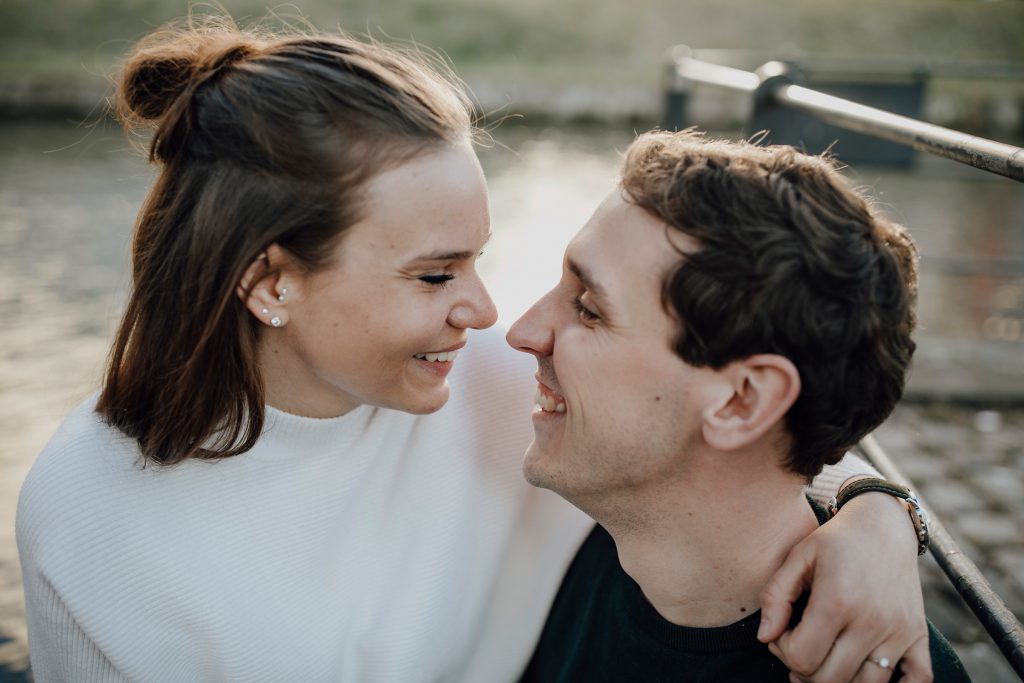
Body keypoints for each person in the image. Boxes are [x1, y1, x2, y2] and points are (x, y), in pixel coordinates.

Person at [17, 17, 930, 682]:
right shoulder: (93, 507)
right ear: (271, 283)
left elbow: (742, 431)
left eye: (477, 259)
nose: (493, 313)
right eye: (434, 273)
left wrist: (879, 515)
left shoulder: (497, 385)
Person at [510, 130, 969, 682]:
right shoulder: (583, 504)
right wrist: (885, 506)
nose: (522, 332)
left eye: (588, 309)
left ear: (741, 400)